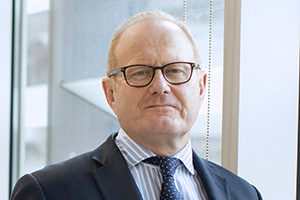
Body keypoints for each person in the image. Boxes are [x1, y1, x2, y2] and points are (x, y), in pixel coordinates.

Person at [11, 11, 262, 200]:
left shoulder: (245, 194)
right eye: (140, 72)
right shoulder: (49, 191)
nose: (160, 86)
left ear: (201, 87)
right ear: (110, 93)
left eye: (175, 70)